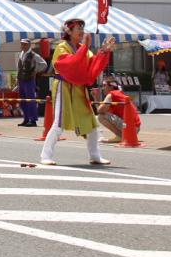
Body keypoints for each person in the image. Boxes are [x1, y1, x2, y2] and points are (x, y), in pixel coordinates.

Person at [39, 18, 115, 166]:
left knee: (91, 122)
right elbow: (72, 65)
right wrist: (85, 47)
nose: (81, 31)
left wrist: (103, 52)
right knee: (58, 123)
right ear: (69, 32)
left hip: (78, 88)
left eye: (82, 28)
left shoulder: (83, 48)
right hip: (63, 86)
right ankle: (45, 155)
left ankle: (95, 155)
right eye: (78, 28)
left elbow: (92, 66)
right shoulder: (62, 47)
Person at [97, 78, 141, 143]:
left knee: (101, 117)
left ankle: (120, 136)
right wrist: (96, 98)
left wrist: (96, 98)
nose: (103, 88)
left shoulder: (111, 94)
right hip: (135, 127)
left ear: (111, 86)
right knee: (104, 115)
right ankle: (121, 135)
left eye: (104, 85)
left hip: (130, 127)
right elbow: (101, 110)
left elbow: (100, 111)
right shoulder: (120, 93)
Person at [16, 39, 47, 127]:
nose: (23, 46)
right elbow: (19, 67)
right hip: (21, 79)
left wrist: (36, 70)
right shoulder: (21, 54)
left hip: (29, 80)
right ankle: (26, 119)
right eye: (22, 44)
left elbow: (44, 64)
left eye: (25, 44)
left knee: (31, 100)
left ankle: (33, 120)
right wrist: (17, 79)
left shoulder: (34, 55)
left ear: (29, 45)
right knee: (23, 100)